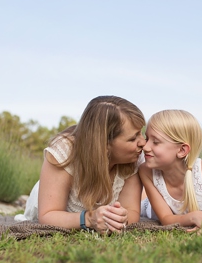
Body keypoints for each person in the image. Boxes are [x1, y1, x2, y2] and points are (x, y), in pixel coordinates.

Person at [21, 96, 145, 233]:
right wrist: (89, 219)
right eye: (133, 138)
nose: (143, 142)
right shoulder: (64, 152)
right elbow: (48, 215)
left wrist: (120, 219)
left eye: (140, 133)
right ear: (104, 144)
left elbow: (132, 211)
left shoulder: (133, 157)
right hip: (49, 197)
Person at [139, 109, 202, 232]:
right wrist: (193, 217)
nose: (145, 146)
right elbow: (166, 219)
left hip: (197, 182)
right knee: (142, 200)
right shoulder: (145, 171)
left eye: (155, 142)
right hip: (148, 206)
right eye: (146, 138)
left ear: (182, 150)